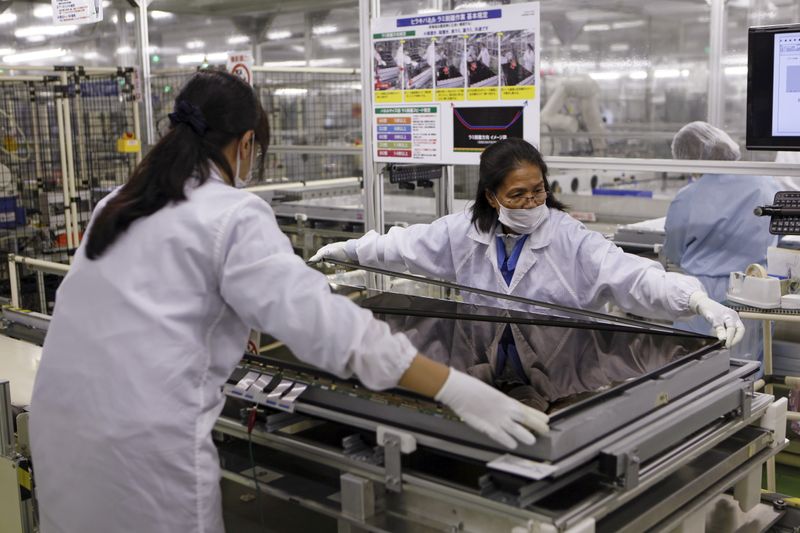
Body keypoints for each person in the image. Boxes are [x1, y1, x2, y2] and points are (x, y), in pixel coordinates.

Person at [28, 71, 547, 533]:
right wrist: (456, 389)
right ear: (247, 142)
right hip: (144, 456)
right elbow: (335, 334)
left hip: (60, 431)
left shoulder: (116, 205)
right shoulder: (231, 215)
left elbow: (160, 304)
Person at [312, 137, 745, 348]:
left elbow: (631, 275)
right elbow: (403, 247)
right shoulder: (462, 230)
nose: (531, 201)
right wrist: (347, 250)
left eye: (537, 190)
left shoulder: (568, 236)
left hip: (561, 361)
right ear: (491, 196)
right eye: (518, 195)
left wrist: (695, 300)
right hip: (480, 359)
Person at [665, 121, 780, 363]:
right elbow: (776, 237)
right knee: (745, 374)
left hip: (701, 299)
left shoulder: (688, 197)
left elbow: (673, 252)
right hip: (754, 293)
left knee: (691, 374)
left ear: (690, 158)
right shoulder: (767, 185)